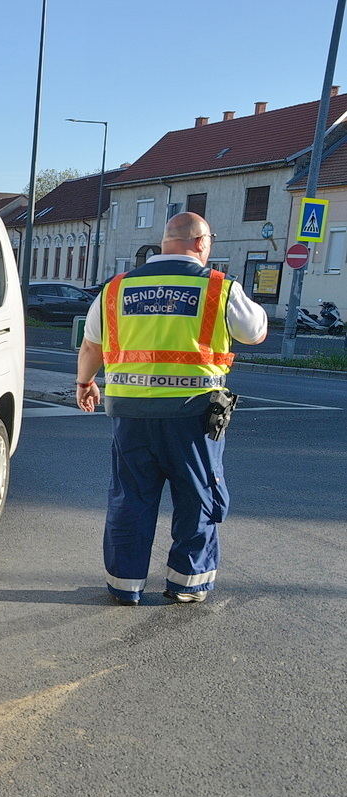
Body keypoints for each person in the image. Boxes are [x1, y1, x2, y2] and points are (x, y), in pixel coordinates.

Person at [76, 212, 267, 606]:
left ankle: (124, 585)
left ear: (165, 242)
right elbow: (255, 332)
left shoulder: (115, 288)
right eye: (210, 239)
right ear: (199, 242)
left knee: (130, 499)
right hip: (194, 417)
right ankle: (188, 582)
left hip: (130, 416)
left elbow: (92, 344)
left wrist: (84, 383)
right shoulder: (218, 287)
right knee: (197, 496)